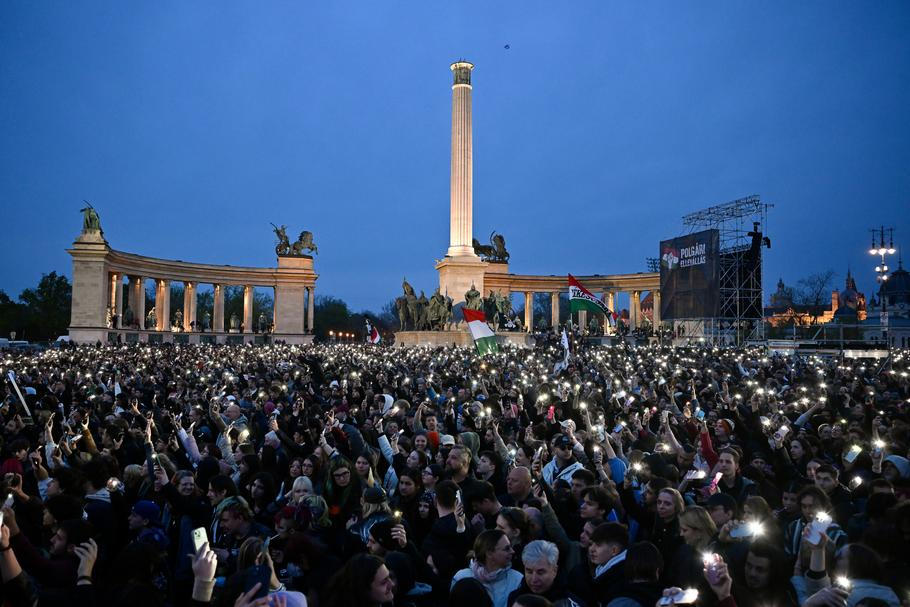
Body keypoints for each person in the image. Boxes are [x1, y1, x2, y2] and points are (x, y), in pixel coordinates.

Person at [451, 529, 522, 607]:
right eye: (507, 548)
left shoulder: (517, 579)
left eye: (511, 546)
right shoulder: (461, 577)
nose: (512, 551)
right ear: (489, 553)